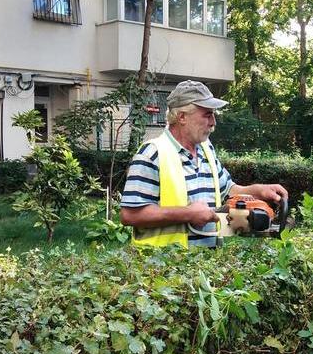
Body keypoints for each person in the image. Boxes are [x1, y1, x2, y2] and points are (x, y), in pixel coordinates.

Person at [120, 80, 288, 248]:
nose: (213, 122)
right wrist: (186, 214)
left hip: (207, 264)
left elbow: (227, 190)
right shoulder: (152, 154)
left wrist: (258, 190)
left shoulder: (206, 149)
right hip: (162, 266)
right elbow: (130, 215)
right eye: (207, 115)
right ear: (182, 116)